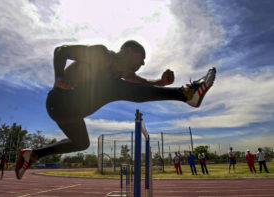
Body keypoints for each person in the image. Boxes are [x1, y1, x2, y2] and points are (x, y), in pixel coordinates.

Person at [15, 40, 216, 179]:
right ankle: (186, 94)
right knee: (113, 87)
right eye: (141, 58)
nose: (143, 63)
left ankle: (33, 155)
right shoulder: (101, 54)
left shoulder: (120, 73)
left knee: (82, 142)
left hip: (71, 112)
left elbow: (138, 81)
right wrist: (58, 78)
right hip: (59, 101)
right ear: (127, 52)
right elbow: (61, 51)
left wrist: (159, 83)